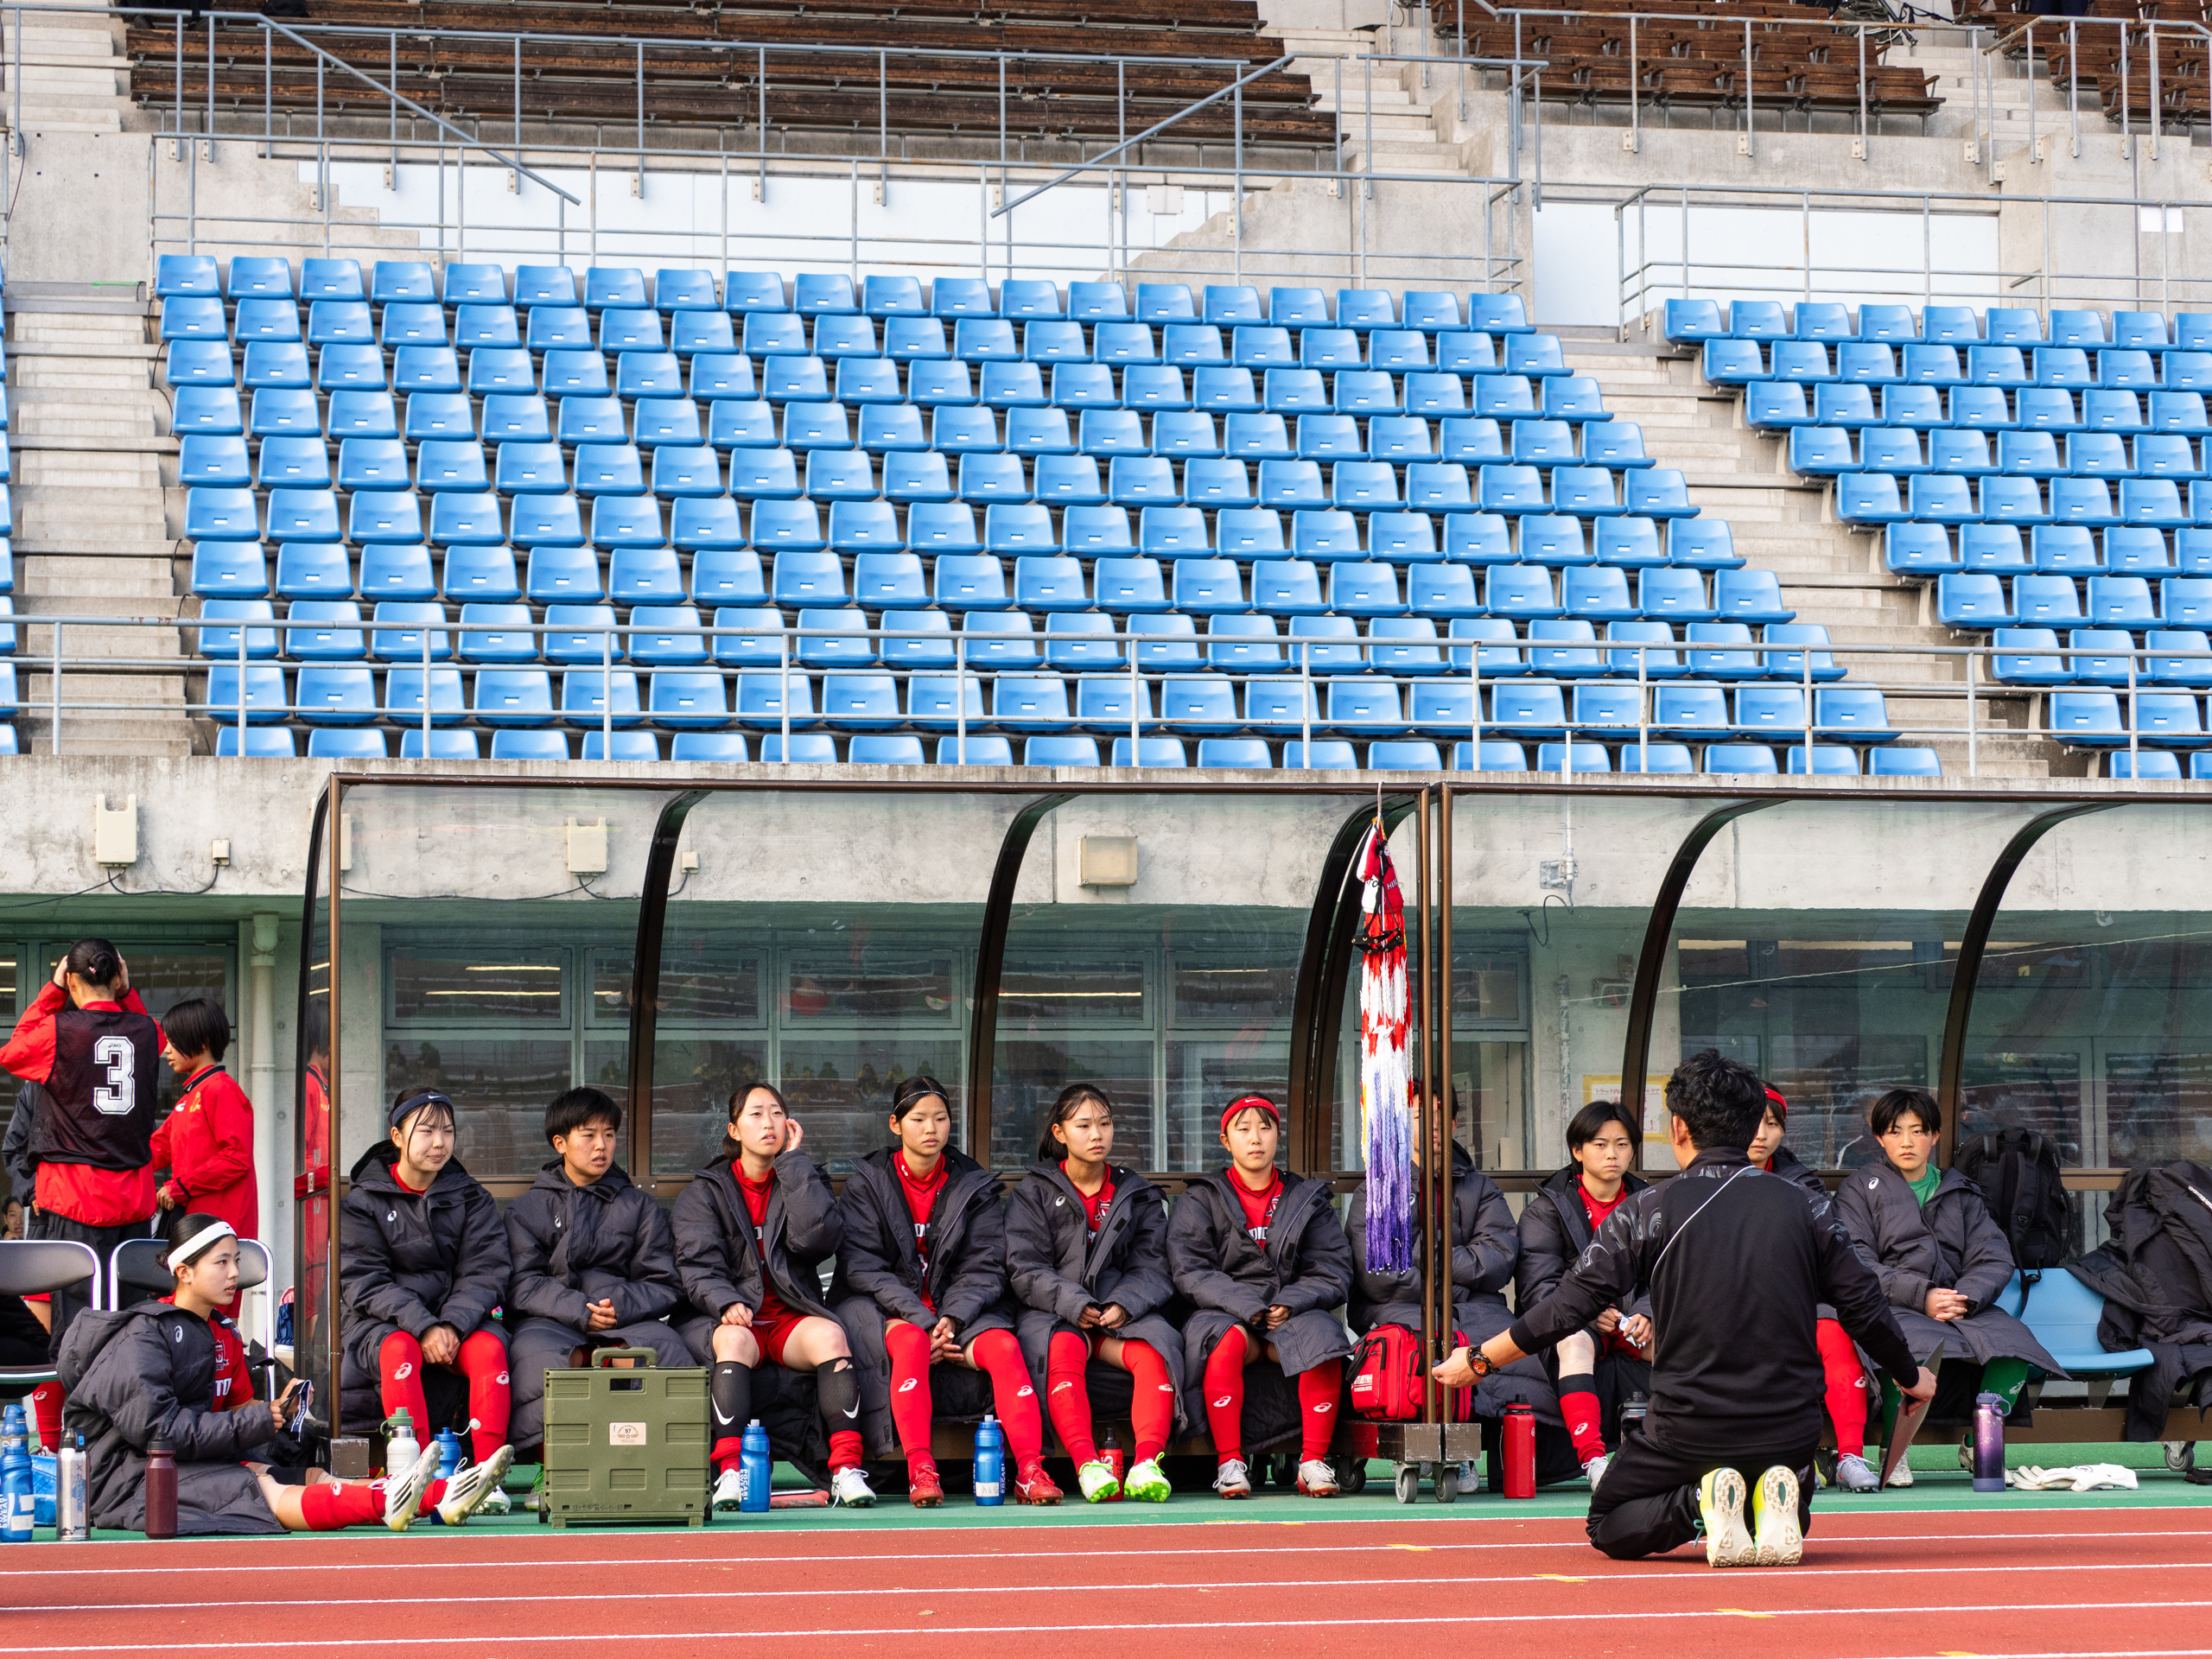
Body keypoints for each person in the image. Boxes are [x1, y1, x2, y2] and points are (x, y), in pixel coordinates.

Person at [1435, 1050, 1933, 1567]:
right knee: (1775, 1504)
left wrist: (1479, 1362)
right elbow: (1864, 1305)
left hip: (1688, 1427)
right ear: (1751, 1128)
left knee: (1606, 1523)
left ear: (1677, 1127)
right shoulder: (1806, 1206)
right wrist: (1909, 1373)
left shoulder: (1646, 1210)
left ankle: (1700, 1498)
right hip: (1789, 1429)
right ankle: (1774, 1494)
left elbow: (1564, 1308)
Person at [58, 1210, 511, 1534]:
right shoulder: (144, 1334)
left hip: (190, 1459)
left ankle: (441, 1495)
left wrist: (283, 1415)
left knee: (309, 1475)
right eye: (222, 1262)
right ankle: (386, 1503)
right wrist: (258, 1418)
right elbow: (156, 1430)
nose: (236, 1273)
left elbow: (241, 1416)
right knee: (260, 1486)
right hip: (131, 1474)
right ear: (184, 1271)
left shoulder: (225, 1334)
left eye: (237, 1260)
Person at [832, 1075, 1059, 1507]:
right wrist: (922, 1319)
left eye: (940, 1118)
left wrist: (951, 1318)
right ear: (895, 1125)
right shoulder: (868, 1181)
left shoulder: (973, 1184)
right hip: (889, 1311)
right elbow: (862, 1267)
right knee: (912, 1341)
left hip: (960, 1315)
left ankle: (1030, 1468)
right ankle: (920, 1468)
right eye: (918, 1119)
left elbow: (986, 1265)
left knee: (1006, 1347)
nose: (931, 1128)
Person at [1835, 1087, 2064, 1489]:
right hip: (1895, 1304)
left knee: (2015, 1346)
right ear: (1879, 1138)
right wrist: (1921, 1295)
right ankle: (1896, 1450)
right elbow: (1856, 1262)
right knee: (1899, 1349)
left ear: (1936, 1136)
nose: (1907, 1142)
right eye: (1895, 1131)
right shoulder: (1859, 1190)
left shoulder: (1961, 1190)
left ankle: (1982, 1444)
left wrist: (1966, 1297)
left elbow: (1994, 1256)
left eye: (1918, 1131)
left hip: (1961, 1305)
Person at [671, 1081, 876, 1509]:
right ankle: (729, 1473)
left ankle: (845, 1470)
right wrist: (725, 1302)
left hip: (787, 1317)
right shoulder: (705, 1192)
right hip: (727, 1317)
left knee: (831, 1336)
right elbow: (696, 1264)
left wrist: (796, 1166)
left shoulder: (803, 1177)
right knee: (731, 1340)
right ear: (733, 1130)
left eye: (778, 1113)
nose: (770, 1123)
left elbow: (819, 1243)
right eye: (756, 1114)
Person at [1, 940, 166, 1448]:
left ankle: (78, 1448)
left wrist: (52, 991)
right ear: (117, 976)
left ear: (70, 978)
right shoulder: (146, 1031)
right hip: (133, 1199)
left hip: (73, 1200)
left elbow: (12, 1050)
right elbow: (149, 1033)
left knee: (76, 1334)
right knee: (131, 1326)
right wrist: (128, 991)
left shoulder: (55, 1031)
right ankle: (130, 1443)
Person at [1166, 1093, 1352, 1499]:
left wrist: (1293, 1302)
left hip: (1293, 1312)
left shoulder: (1307, 1198)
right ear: (1225, 1140)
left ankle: (1313, 1462)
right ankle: (1230, 1462)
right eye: (1244, 1129)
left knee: (1324, 1340)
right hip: (1225, 1313)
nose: (1256, 1139)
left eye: (1265, 1128)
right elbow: (1190, 1270)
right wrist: (1247, 1307)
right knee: (1225, 1342)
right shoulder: (1202, 1197)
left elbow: (1333, 1268)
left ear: (1278, 1136)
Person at [1004, 1083, 1182, 1503]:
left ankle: (1146, 1465)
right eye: (1083, 1125)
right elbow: (1023, 1267)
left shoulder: (1135, 1193)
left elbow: (1154, 1265)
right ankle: (1087, 1466)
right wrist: (1073, 1303)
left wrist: (1126, 1303)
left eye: (1105, 1123)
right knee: (1062, 1350)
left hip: (1122, 1315)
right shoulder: (1035, 1192)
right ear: (1060, 1133)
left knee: (1156, 1350)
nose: (1097, 1134)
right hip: (1054, 1314)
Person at [338, 1090, 513, 1488]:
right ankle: (414, 1481)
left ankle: (488, 1481)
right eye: (427, 1131)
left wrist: (450, 1325)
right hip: (383, 1323)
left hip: (459, 1323)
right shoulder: (363, 1202)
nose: (439, 1143)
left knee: (489, 1349)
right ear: (397, 1137)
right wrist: (424, 1326)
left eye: (448, 1132)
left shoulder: (472, 1198)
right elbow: (364, 1281)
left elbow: (485, 1272)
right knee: (399, 1348)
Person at [504, 1088, 690, 1457]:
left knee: (665, 1351)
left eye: (608, 1134)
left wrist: (618, 1306)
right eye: (588, 1135)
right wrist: (580, 1311)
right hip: (551, 1318)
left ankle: (661, 1461)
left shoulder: (638, 1206)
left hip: (626, 1316)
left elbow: (664, 1281)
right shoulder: (526, 1209)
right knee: (538, 1358)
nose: (601, 1145)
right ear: (561, 1142)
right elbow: (522, 1283)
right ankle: (553, 1466)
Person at [1345, 1080, 1546, 1423]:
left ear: (1454, 1124)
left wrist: (1430, 1259)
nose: (1432, 1125)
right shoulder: (1378, 1190)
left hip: (1477, 1311)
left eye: (1441, 1115)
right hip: (1397, 1310)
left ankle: (1496, 1458)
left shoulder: (1481, 1188)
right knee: (1427, 1352)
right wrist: (1455, 1284)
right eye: (1420, 1115)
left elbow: (1498, 1261)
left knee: (1521, 1360)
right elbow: (1379, 1274)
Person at [1749, 1086, 1879, 1493]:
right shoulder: (1705, 1178)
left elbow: (1826, 1252)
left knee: (1836, 1336)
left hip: (1799, 1299)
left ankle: (1851, 1455)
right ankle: (1784, 1459)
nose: (1761, 1133)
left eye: (1772, 1124)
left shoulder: (1803, 1183)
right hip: (1732, 1303)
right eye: (1753, 1122)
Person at [1518, 1100, 1653, 1487]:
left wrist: (1647, 1312)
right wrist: (1588, 1312)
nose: (1612, 1154)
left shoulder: (1650, 1205)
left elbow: (1668, 1274)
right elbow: (1538, 1287)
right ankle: (1594, 1460)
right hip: (1571, 1325)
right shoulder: (1546, 1210)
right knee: (1573, 1342)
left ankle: (1715, 1451)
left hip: (1635, 1323)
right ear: (1577, 1151)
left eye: (1623, 1144)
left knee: (1691, 1343)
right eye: (1599, 1144)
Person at [149, 999, 258, 1292]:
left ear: (202, 1041)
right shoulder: (192, 1095)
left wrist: (180, 1186)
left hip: (219, 1227)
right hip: (197, 1225)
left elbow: (237, 1158)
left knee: (216, 1316)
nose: (166, 1050)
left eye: (173, 1041)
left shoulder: (221, 1089)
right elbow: (154, 1150)